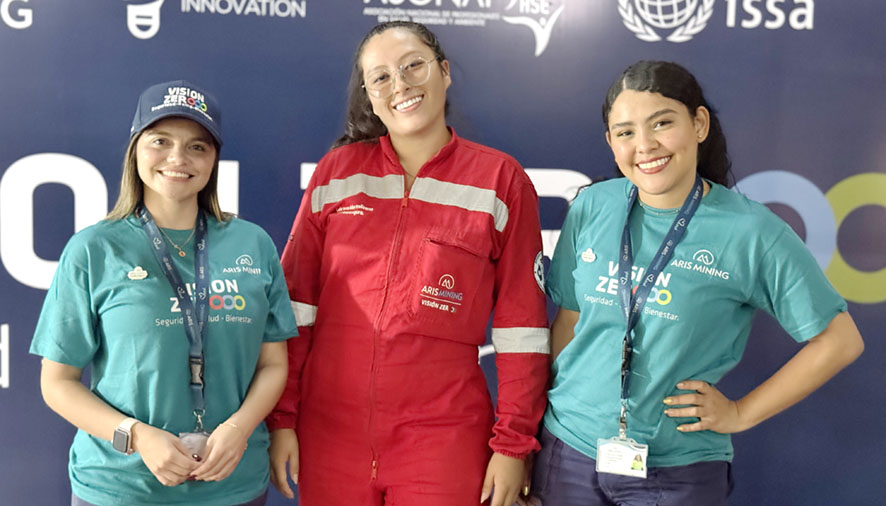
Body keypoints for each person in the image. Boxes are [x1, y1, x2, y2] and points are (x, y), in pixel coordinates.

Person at [530, 61, 864, 506]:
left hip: (678, 471)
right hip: (567, 450)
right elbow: (569, 319)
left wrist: (741, 412)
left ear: (699, 124)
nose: (645, 146)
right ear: (611, 144)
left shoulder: (751, 231)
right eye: (625, 132)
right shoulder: (593, 205)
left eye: (662, 123)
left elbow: (840, 341)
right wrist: (532, 430)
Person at [266, 21, 550, 506]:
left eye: (413, 65)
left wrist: (513, 444)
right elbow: (294, 308)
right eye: (380, 77)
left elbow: (522, 327)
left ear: (443, 72)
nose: (400, 84)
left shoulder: (500, 180)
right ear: (370, 97)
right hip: (330, 433)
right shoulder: (337, 173)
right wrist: (283, 419)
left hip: (442, 438)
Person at [30, 80, 298, 506]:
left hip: (232, 487)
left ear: (213, 160)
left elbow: (272, 365)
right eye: (161, 141)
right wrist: (135, 436)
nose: (178, 158)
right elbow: (58, 383)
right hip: (120, 489)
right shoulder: (94, 249)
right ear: (136, 148)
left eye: (197, 146)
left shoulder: (253, 244)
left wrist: (238, 429)